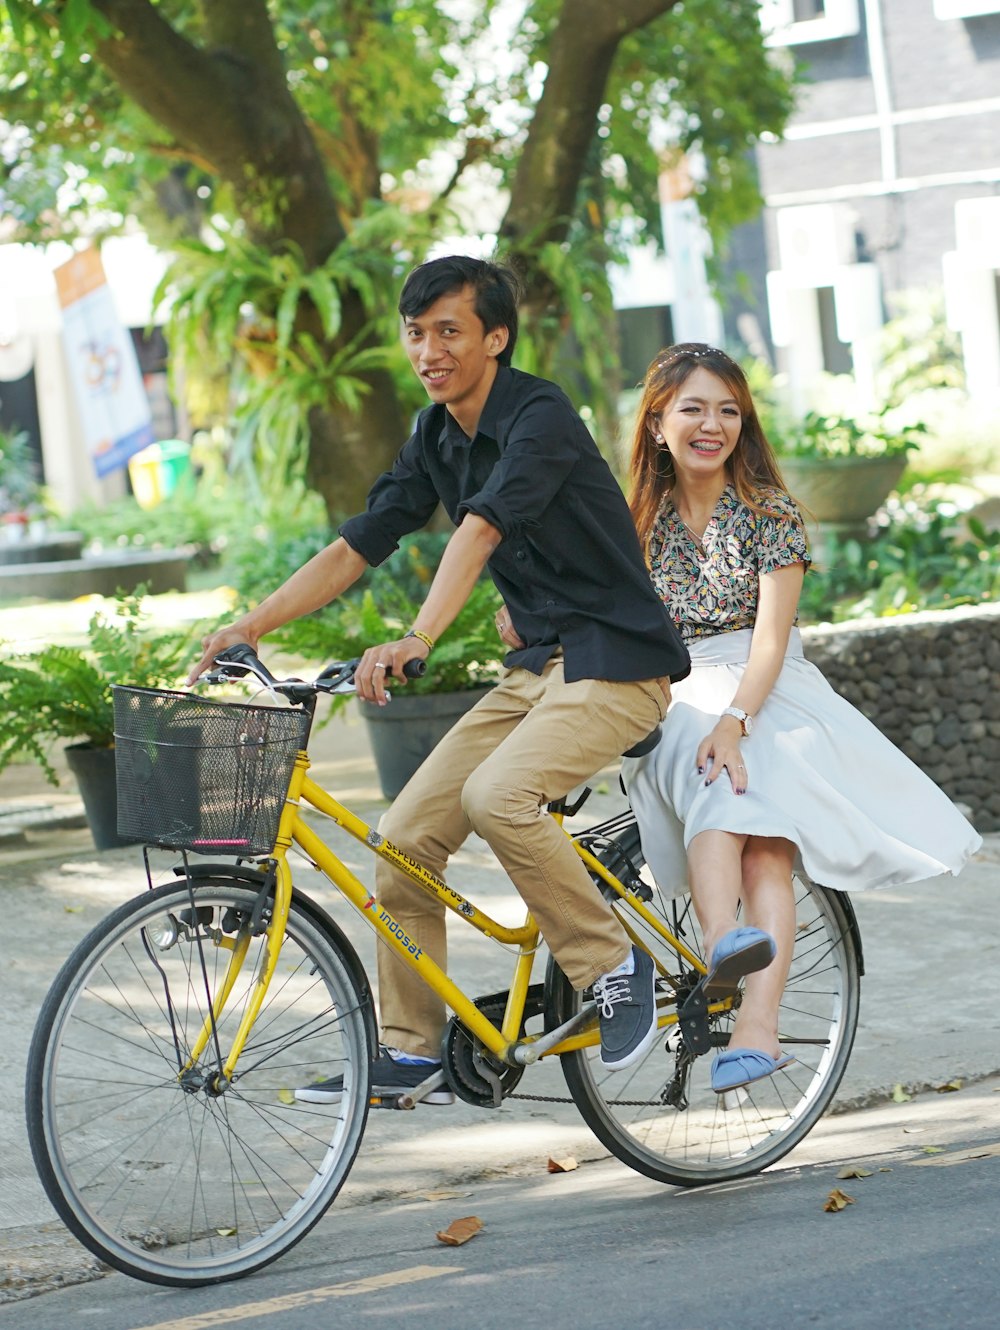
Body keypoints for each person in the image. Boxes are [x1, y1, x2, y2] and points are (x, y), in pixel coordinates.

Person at [191, 256, 691, 1103]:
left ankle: (614, 964)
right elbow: (358, 543)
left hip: (618, 664)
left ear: (495, 338)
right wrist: (251, 625)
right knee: (406, 841)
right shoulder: (434, 434)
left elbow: (482, 530)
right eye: (416, 333)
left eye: (449, 331)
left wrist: (418, 638)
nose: (428, 351)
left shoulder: (540, 415)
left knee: (497, 797)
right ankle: (412, 1046)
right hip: (537, 669)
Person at [620, 343, 982, 1094]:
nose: (712, 423)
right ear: (657, 424)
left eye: (728, 409)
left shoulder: (768, 512)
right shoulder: (634, 523)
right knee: (701, 761)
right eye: (693, 408)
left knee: (765, 848)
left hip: (764, 689)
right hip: (673, 690)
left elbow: (772, 641)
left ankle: (756, 1022)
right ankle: (725, 941)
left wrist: (736, 719)